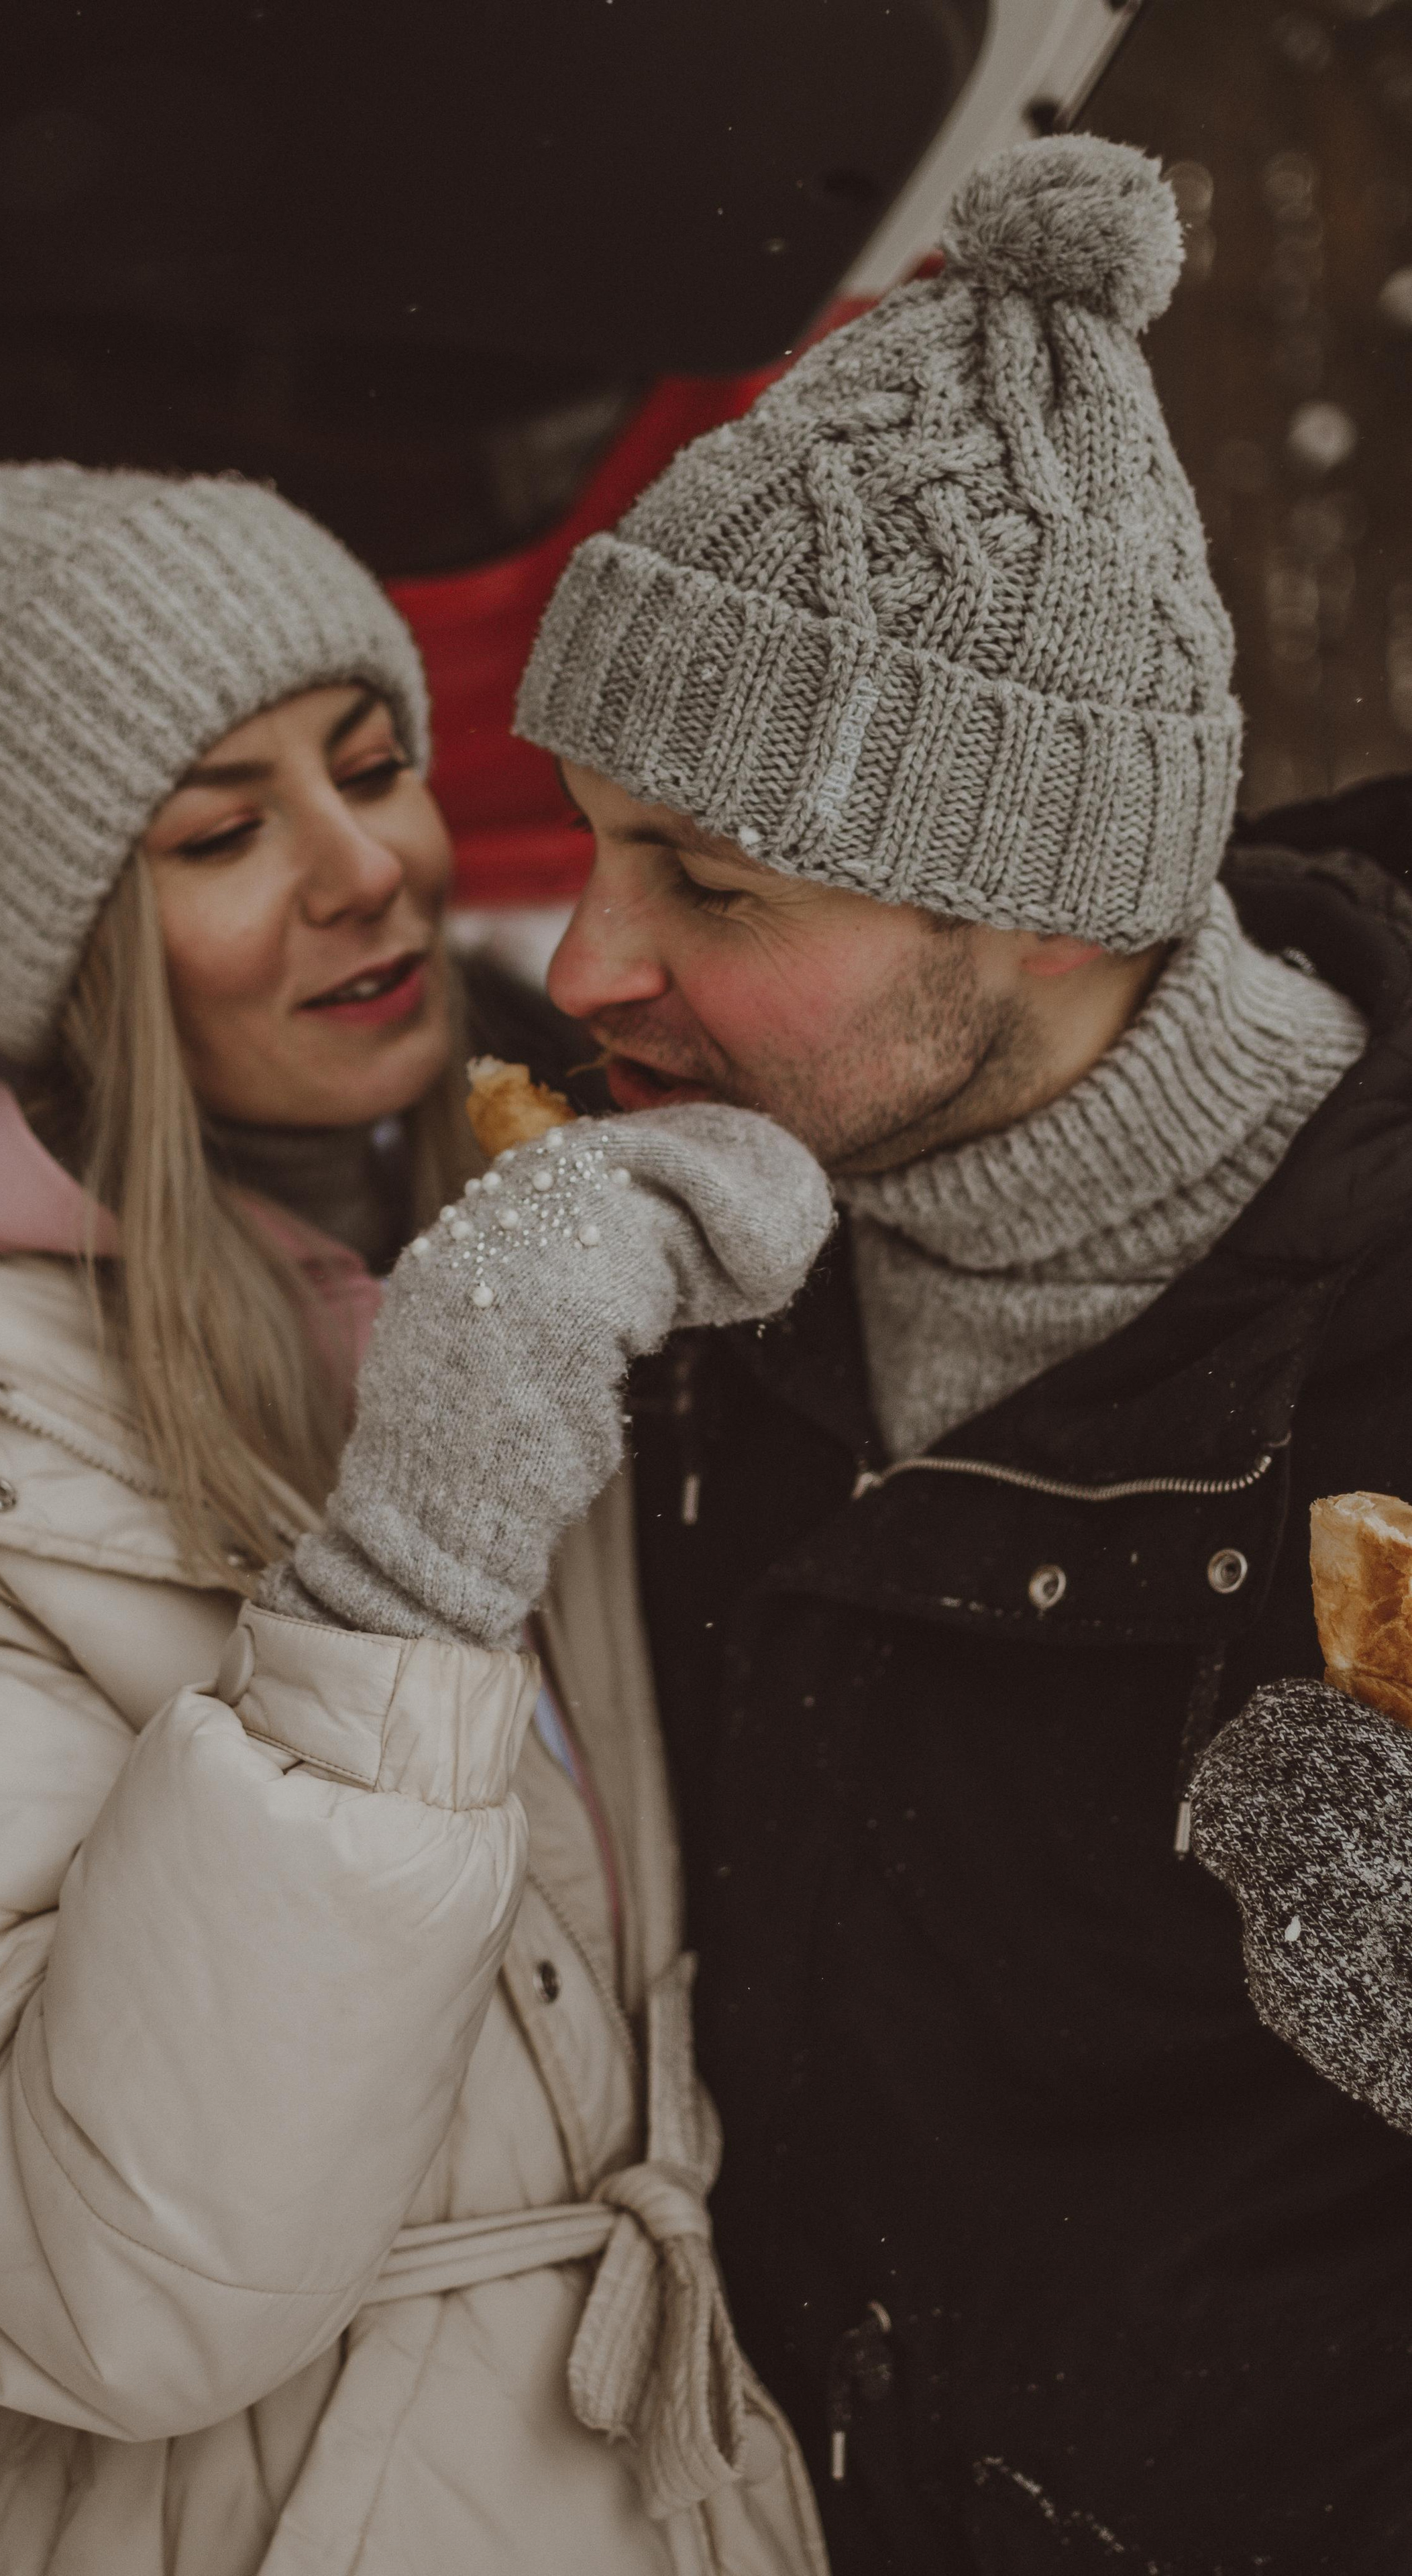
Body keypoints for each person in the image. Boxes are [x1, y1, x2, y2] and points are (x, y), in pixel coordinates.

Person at [0, 464, 836, 2575]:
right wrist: (411, 1565)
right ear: (68, 944)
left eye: (377, 768)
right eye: (221, 832)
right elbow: (93, 2284)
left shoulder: (509, 1217)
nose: (366, 874)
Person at [511, 135, 1412, 2571]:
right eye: (589, 841)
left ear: (1050, 911)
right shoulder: (706, 1275)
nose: (584, 965)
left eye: (705, 882)